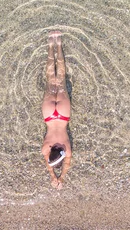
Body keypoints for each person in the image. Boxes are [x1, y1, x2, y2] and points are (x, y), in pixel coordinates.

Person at [41, 30, 72, 189]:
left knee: (59, 79)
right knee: (50, 80)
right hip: (49, 116)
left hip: (63, 115)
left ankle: (58, 43)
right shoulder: (45, 149)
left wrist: (61, 178)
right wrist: (55, 177)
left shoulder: (67, 150)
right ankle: (50, 44)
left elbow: (66, 163)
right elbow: (49, 164)